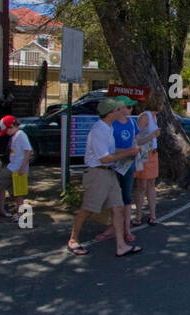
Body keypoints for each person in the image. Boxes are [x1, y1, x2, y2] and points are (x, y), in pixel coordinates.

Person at [67, 97, 141, 256]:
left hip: (109, 172)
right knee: (88, 209)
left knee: (118, 208)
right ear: (110, 113)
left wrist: (129, 152)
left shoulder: (108, 128)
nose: (120, 111)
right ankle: (73, 239)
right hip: (98, 173)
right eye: (116, 109)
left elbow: (112, 153)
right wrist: (129, 153)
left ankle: (121, 245)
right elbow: (104, 158)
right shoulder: (99, 130)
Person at [94, 97, 139, 245]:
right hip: (113, 165)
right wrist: (126, 152)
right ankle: (112, 227)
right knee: (113, 198)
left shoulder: (132, 123)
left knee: (126, 197)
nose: (130, 110)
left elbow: (136, 141)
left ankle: (127, 229)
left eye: (131, 108)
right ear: (118, 109)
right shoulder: (110, 125)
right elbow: (107, 149)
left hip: (128, 165)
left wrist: (138, 150)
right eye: (127, 107)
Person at [0, 115, 32, 219]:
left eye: (7, 130)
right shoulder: (15, 136)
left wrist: (22, 167)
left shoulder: (21, 135)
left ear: (12, 125)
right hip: (16, 167)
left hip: (16, 168)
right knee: (18, 194)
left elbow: (29, 151)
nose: (6, 133)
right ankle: (20, 215)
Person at [132, 108, 160, 225]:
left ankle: (152, 215)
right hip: (144, 153)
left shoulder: (155, 116)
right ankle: (138, 216)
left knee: (151, 184)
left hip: (153, 153)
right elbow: (136, 139)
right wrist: (151, 136)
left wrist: (154, 136)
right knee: (142, 186)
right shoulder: (145, 116)